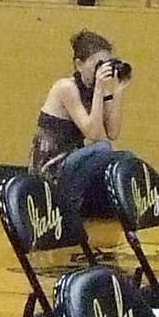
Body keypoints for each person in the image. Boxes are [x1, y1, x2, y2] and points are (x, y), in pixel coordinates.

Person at [28, 29, 128, 217]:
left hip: (71, 162)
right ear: (79, 64)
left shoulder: (93, 89)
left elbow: (113, 132)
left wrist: (117, 91)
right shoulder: (66, 88)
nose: (101, 71)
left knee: (124, 157)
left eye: (105, 65)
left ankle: (95, 207)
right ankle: (66, 208)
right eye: (97, 65)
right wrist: (100, 90)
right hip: (50, 168)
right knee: (102, 149)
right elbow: (94, 134)